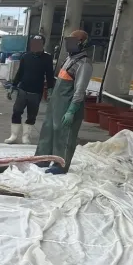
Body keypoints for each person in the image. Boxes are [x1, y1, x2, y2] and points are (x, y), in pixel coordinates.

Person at [35, 30, 92, 174]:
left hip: (68, 105)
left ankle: (60, 165)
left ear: (83, 43)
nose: (69, 44)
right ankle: (43, 158)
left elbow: (80, 90)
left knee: (64, 135)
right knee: (48, 130)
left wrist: (71, 111)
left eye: (74, 41)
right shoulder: (69, 59)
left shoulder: (83, 64)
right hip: (56, 103)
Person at [5, 35, 55, 144]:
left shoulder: (47, 58)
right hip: (23, 90)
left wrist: (50, 90)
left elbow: (50, 75)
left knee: (32, 115)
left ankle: (26, 137)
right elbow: (20, 72)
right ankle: (13, 135)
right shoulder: (25, 56)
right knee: (17, 111)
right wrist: (13, 86)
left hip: (36, 91)